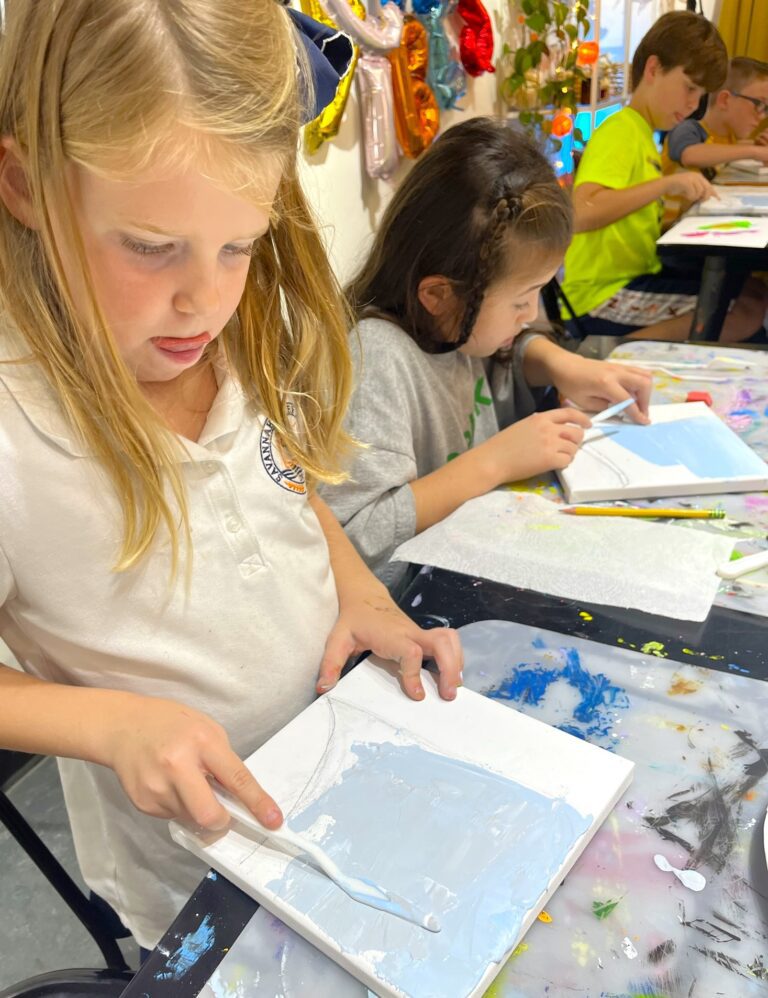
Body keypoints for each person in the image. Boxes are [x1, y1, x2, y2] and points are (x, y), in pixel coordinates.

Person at [0, 0, 462, 953]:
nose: (202, 297)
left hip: (342, 773)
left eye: (239, 244)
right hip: (204, 883)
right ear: (26, 184)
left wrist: (362, 590)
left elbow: (280, 487)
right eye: (149, 245)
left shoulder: (231, 332)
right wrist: (109, 723)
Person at [320, 118, 653, 590]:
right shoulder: (376, 359)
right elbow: (351, 537)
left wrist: (562, 364)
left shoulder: (456, 327)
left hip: (474, 567)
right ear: (440, 295)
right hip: (406, 613)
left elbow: (505, 350)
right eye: (521, 301)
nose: (531, 313)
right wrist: (494, 461)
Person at [561, 11, 767, 345]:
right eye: (689, 87)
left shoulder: (644, 134)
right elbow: (581, 214)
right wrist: (667, 184)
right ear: (654, 69)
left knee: (751, 292)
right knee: (745, 311)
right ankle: (610, 352)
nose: (693, 103)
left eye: (700, 94)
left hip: (634, 275)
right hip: (601, 293)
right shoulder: (621, 130)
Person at [663, 57, 768, 180]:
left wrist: (759, 146)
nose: (762, 116)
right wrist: (754, 152)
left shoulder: (729, 137)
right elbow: (689, 156)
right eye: (759, 104)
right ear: (725, 100)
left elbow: (731, 147)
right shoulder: (688, 129)